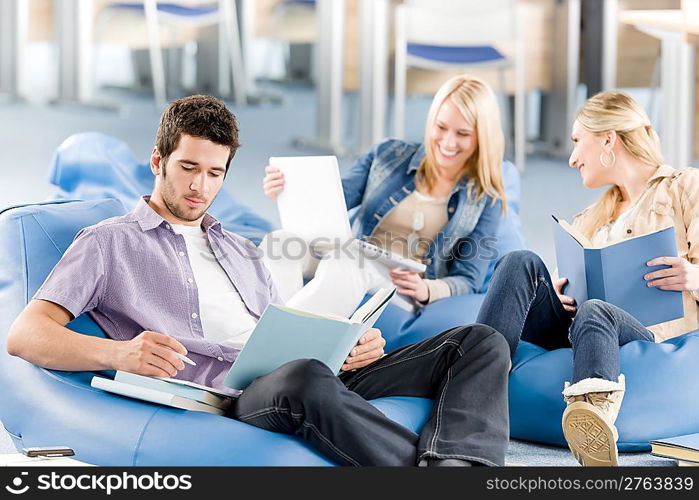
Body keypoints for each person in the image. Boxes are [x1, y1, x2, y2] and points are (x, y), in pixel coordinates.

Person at [6, 94, 510, 467]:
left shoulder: (237, 247)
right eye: (188, 168)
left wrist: (348, 344)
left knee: (479, 343)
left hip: (302, 372)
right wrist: (119, 354)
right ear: (157, 162)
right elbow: (24, 335)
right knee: (303, 377)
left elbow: (279, 325)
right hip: (234, 393)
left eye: (215, 173)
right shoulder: (109, 242)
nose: (200, 186)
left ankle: (454, 468)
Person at [476, 91, 699, 467]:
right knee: (520, 262)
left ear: (608, 140)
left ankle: (591, 416)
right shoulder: (588, 218)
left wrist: (693, 276)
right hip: (580, 329)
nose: (572, 158)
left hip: (648, 336)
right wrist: (563, 296)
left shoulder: (683, 187)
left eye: (579, 141)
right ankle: (470, 383)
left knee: (599, 309)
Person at [262, 74, 508, 317]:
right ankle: (260, 337)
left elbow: (469, 279)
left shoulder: (485, 198)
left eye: (462, 134)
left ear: (481, 137)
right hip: (346, 259)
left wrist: (427, 289)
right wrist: (288, 191)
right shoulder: (389, 155)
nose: (447, 141)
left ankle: (281, 340)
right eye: (440, 127)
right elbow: (336, 199)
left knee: (348, 261)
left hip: (400, 287)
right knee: (280, 242)